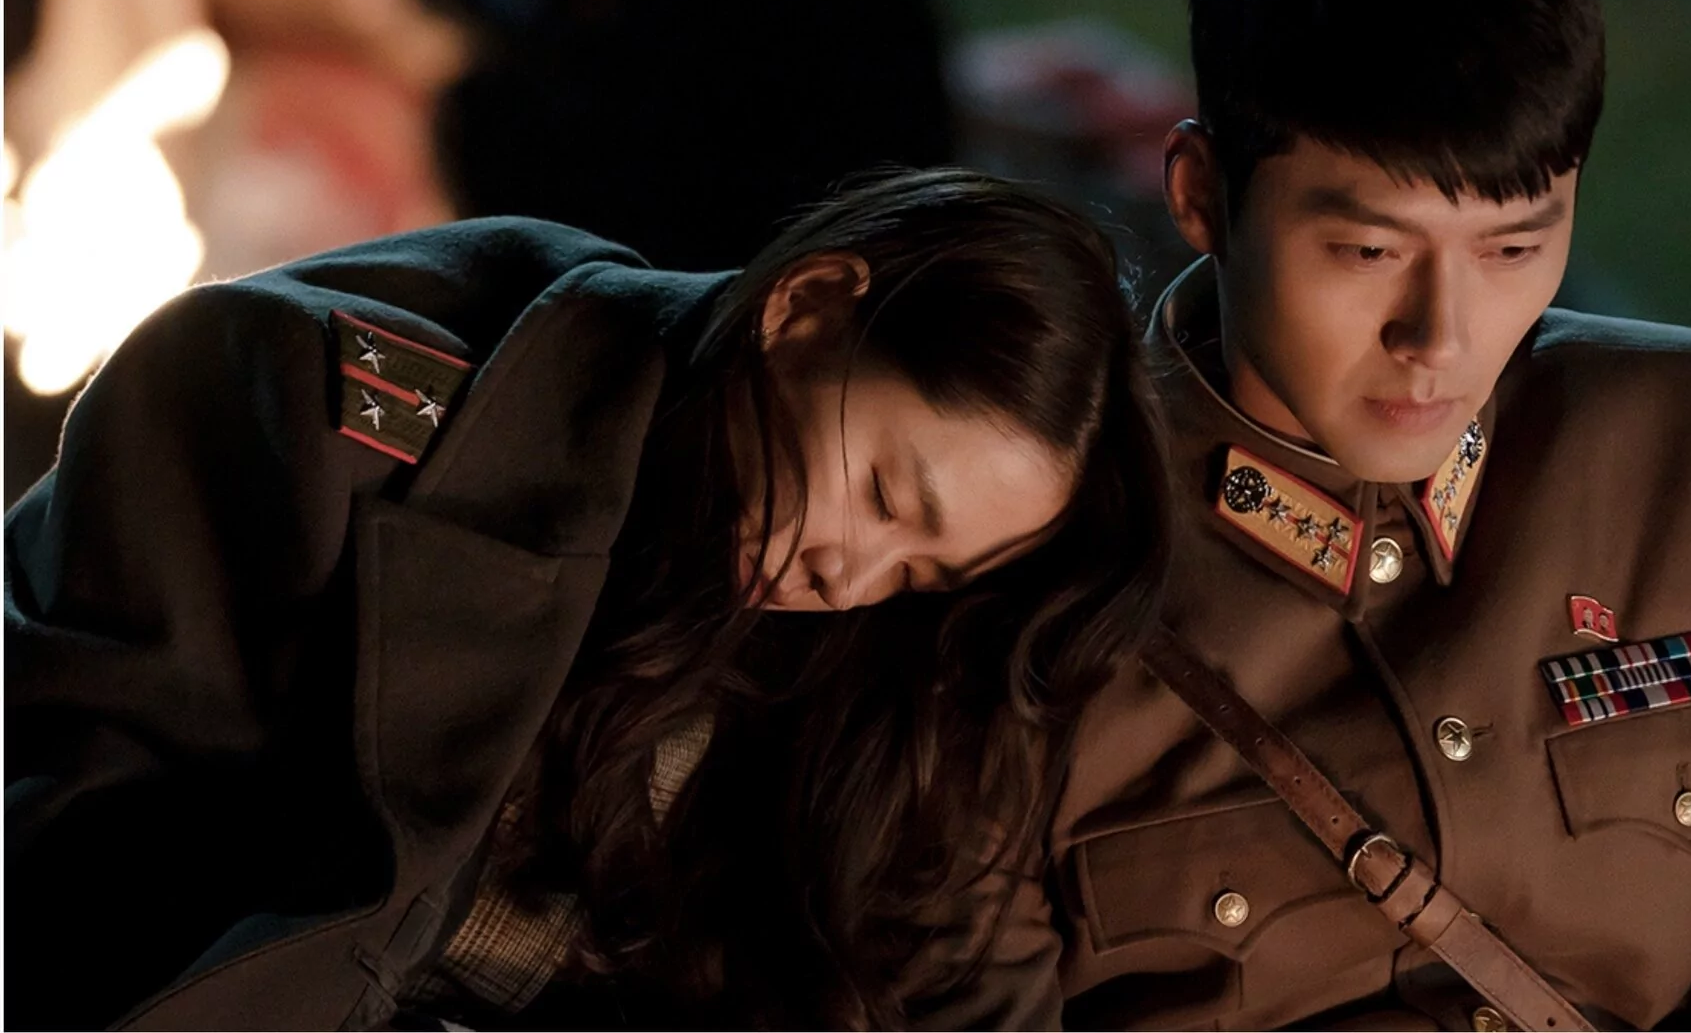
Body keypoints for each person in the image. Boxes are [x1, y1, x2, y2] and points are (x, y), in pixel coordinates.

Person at [942, 0, 1691, 1029]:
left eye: (1514, 246)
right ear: (1202, 196)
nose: (1441, 341)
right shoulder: (1013, 559)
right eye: (1369, 249)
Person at [3, 169, 1171, 1030]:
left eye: (921, 571)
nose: (850, 577)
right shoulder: (305, 405)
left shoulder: (888, 668)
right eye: (878, 492)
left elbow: (950, 985)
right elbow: (75, 847)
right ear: (807, 307)